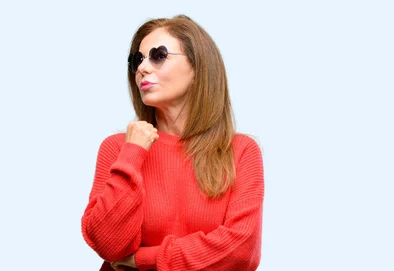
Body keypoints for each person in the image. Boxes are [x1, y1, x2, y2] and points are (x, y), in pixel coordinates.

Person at [81, 14, 264, 271]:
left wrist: (145, 259)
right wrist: (132, 154)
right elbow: (110, 245)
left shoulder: (240, 151)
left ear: (198, 67)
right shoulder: (119, 148)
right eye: (137, 60)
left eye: (158, 55)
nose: (143, 67)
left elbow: (241, 251)